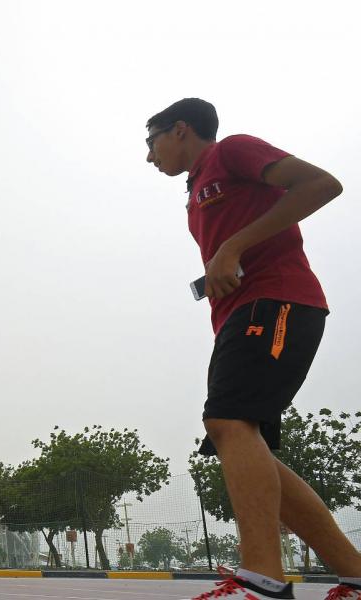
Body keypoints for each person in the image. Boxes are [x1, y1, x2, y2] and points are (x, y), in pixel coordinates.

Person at [144, 98, 360, 600]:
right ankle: (354, 572)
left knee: (227, 423)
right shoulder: (197, 188)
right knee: (238, 437)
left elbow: (322, 184)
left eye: (150, 141)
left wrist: (232, 247)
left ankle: (261, 579)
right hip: (242, 316)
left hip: (278, 301)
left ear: (180, 129)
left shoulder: (232, 151)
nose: (149, 156)